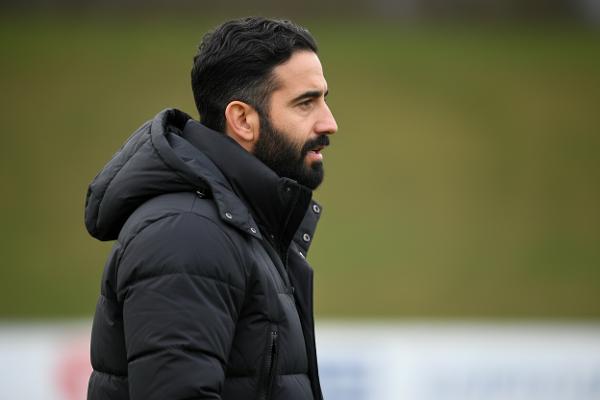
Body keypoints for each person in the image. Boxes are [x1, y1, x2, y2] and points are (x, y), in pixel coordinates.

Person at [84, 17, 338, 400]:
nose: (329, 123)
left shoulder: (244, 227)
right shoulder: (187, 234)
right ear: (243, 120)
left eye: (324, 99)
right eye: (306, 103)